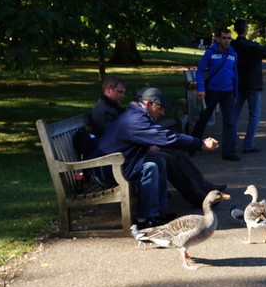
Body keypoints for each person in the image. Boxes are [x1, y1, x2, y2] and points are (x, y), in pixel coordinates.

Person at [93, 87, 226, 210]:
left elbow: (158, 137)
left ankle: (206, 187)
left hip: (123, 160)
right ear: (148, 104)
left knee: (173, 153)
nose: (162, 113)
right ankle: (199, 199)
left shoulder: (137, 115)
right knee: (165, 159)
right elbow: (167, 137)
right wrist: (200, 144)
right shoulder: (136, 120)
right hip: (109, 169)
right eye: (160, 108)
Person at [192, 26, 240, 161]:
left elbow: (235, 75)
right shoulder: (210, 53)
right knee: (203, 119)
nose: (226, 41)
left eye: (229, 38)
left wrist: (235, 94)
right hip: (212, 91)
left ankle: (229, 152)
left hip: (228, 92)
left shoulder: (233, 54)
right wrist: (201, 88)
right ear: (218, 39)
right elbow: (200, 72)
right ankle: (192, 146)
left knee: (230, 122)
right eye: (224, 38)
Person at [231, 20, 266, 153]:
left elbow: (243, 44)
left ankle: (231, 142)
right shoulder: (253, 47)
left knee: (234, 114)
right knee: (254, 115)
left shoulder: (233, 45)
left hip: (238, 83)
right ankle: (248, 144)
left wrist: (250, 38)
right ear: (245, 29)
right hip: (253, 84)